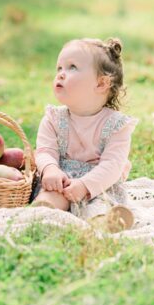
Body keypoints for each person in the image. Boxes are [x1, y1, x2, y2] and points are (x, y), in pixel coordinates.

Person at [32, 37, 138, 232]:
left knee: (99, 206)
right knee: (48, 201)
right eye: (59, 68)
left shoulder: (116, 125)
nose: (61, 74)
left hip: (98, 185)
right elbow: (45, 150)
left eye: (72, 67)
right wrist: (50, 169)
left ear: (101, 84)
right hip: (61, 181)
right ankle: (43, 215)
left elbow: (112, 166)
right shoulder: (53, 118)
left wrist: (84, 186)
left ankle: (106, 221)